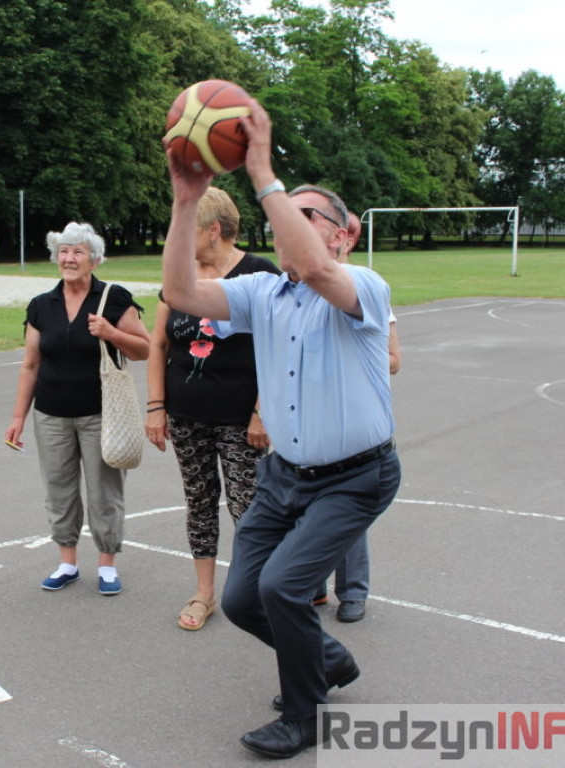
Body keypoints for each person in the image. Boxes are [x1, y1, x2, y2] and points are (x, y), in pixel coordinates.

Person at [161, 99, 401, 760]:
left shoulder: (363, 285)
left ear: (344, 234)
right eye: (281, 209)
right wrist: (187, 202)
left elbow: (318, 271)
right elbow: (180, 293)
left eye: (306, 213)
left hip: (355, 477)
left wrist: (262, 170)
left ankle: (306, 715)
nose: (286, 219)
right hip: (283, 478)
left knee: (282, 587)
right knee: (242, 600)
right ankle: (327, 660)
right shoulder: (263, 292)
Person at [144, 186, 280, 630]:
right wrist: (156, 407)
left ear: (214, 231)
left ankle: (257, 590)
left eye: (188, 228)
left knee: (248, 507)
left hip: (242, 418)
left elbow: (278, 348)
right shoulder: (179, 274)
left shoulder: (259, 274)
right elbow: (160, 343)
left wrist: (262, 411)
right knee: (200, 502)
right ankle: (204, 595)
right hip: (186, 415)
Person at [5, 222, 150, 596]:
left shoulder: (114, 298)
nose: (69, 258)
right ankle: (67, 562)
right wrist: (19, 417)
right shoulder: (42, 305)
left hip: (101, 415)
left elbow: (144, 349)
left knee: (104, 491)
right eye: (63, 252)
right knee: (59, 490)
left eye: (78, 252)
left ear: (95, 259)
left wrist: (111, 333)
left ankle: (106, 565)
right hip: (50, 414)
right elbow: (31, 364)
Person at [318, 212, 402, 623]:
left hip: (351, 424)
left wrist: (344, 357)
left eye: (350, 234)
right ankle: (312, 584)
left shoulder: (365, 291)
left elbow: (393, 359)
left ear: (347, 240)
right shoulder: (299, 291)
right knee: (302, 509)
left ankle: (352, 591)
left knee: (347, 514)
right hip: (308, 420)